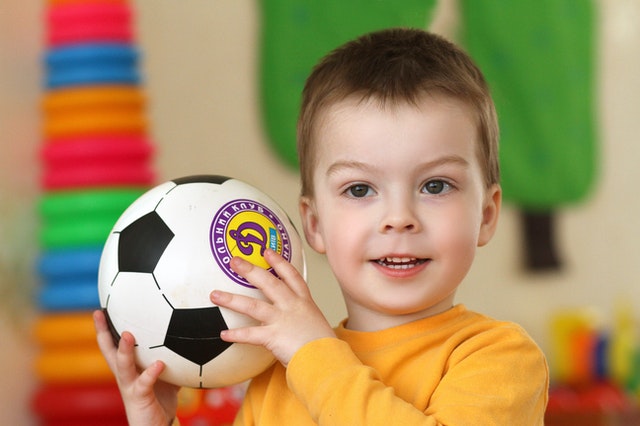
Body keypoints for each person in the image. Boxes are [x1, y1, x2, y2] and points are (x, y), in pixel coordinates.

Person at [95, 27, 549, 425]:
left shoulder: (501, 359)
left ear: (486, 215)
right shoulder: (278, 376)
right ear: (312, 225)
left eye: (435, 185)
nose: (399, 218)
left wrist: (313, 355)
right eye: (359, 190)